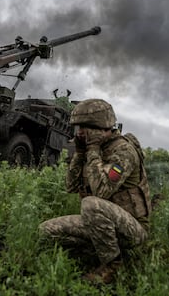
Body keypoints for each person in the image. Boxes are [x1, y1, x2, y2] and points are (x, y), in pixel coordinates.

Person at [39, 98, 151, 284]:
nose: (80, 133)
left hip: (132, 229)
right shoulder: (94, 149)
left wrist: (92, 150)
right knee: (46, 230)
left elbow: (101, 192)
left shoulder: (123, 151)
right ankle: (98, 248)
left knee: (90, 203)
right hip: (102, 223)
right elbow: (71, 186)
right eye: (78, 128)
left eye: (85, 127)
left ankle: (112, 266)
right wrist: (81, 153)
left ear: (102, 128)